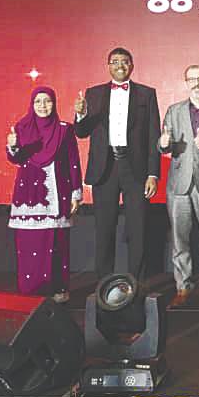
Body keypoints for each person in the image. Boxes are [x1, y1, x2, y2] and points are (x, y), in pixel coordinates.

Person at [74, 47, 160, 281]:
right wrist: (80, 114)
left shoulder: (146, 94)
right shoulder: (93, 94)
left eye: (125, 61)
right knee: (104, 228)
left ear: (131, 65)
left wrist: (153, 174)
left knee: (138, 228)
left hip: (136, 169)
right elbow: (82, 132)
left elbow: (154, 136)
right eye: (115, 62)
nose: (120, 65)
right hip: (105, 168)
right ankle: (105, 283)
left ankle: (136, 283)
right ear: (108, 66)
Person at [7, 86, 82, 303]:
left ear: (54, 103)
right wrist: (12, 147)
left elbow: (73, 163)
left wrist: (76, 193)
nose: (43, 106)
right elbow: (16, 159)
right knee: (30, 242)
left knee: (56, 241)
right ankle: (30, 290)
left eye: (47, 101)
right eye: (38, 102)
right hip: (29, 191)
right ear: (32, 104)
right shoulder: (22, 127)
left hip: (58, 191)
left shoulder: (65, 130)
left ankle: (58, 288)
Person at [159, 65, 199, 308]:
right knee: (179, 240)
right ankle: (182, 287)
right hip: (179, 184)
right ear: (186, 82)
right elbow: (164, 142)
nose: (196, 83)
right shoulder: (174, 110)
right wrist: (163, 144)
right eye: (192, 79)